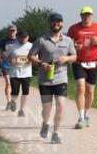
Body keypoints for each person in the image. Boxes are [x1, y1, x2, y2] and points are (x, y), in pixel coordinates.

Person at [28, 14, 77, 145]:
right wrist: (41, 64)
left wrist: (66, 59)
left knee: (61, 105)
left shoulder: (68, 41)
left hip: (61, 78)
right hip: (45, 79)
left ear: (62, 24)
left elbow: (74, 56)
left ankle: (55, 134)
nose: (57, 24)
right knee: (47, 108)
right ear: (50, 23)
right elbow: (30, 56)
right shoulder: (41, 40)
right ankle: (45, 123)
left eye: (59, 21)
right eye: (54, 21)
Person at [67, 6, 97, 129]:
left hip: (94, 62)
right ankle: (81, 117)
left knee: (90, 91)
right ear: (80, 15)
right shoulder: (74, 28)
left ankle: (86, 114)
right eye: (84, 14)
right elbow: (68, 43)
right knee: (80, 87)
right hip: (79, 62)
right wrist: (74, 46)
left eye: (89, 14)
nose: (86, 16)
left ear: (92, 15)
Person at [7, 31, 34, 116]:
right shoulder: (11, 47)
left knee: (25, 91)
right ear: (17, 37)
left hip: (27, 73)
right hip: (14, 73)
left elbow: (35, 57)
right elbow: (5, 57)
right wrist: (10, 60)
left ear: (28, 37)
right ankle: (13, 101)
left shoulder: (31, 46)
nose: (23, 39)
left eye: (25, 37)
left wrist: (30, 60)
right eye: (21, 37)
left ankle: (22, 110)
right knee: (15, 91)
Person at [0, 25, 20, 109]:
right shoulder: (3, 41)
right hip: (6, 64)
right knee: (8, 83)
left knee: (15, 85)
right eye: (10, 30)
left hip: (16, 65)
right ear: (8, 31)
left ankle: (13, 100)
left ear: (16, 32)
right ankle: (9, 101)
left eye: (13, 31)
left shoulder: (19, 40)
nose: (12, 32)